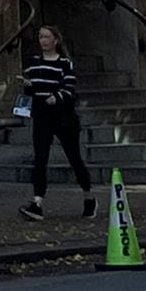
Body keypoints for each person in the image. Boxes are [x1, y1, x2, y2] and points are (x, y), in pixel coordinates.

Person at [19, 24, 90, 221]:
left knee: (73, 157)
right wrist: (28, 87)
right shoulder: (33, 63)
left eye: (47, 37)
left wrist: (56, 97)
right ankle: (37, 201)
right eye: (41, 37)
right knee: (40, 158)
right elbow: (30, 89)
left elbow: (69, 89)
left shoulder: (65, 63)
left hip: (62, 116)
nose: (43, 40)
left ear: (55, 40)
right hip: (42, 114)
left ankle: (88, 195)